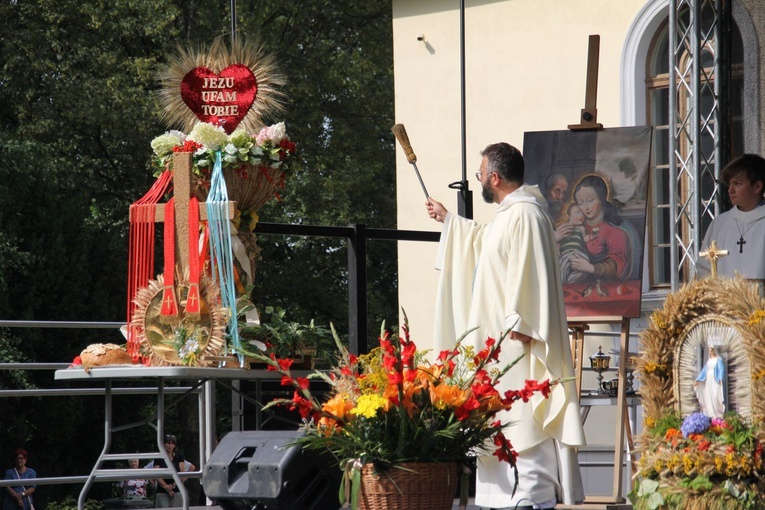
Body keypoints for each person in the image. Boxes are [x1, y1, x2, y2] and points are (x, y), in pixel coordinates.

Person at [427, 142, 585, 510]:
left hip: (516, 343)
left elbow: (531, 270)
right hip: (498, 347)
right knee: (500, 423)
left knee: (523, 422)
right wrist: (450, 221)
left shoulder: (526, 215)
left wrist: (521, 319)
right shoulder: (510, 214)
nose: (479, 178)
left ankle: (531, 498)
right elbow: (487, 246)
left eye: (481, 172)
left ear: (494, 177)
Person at [698, 154, 765, 279]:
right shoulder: (719, 224)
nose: (730, 190)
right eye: (730, 184)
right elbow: (704, 269)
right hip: (724, 298)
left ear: (757, 187)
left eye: (737, 184)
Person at [568, 174, 632, 282]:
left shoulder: (615, 233)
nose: (586, 207)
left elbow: (617, 266)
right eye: (581, 203)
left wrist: (591, 268)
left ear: (601, 199)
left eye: (590, 200)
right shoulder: (575, 229)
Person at [153, 435, 195, 508]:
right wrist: (166, 487)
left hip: (177, 490)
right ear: (164, 444)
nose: (170, 446)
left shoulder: (179, 457)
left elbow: (182, 474)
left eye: (172, 444)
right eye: (168, 443)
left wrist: (173, 485)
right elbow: (156, 474)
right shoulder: (158, 457)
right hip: (162, 490)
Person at [556, 203, 591, 283]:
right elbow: (557, 243)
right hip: (566, 254)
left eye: (583, 213)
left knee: (584, 268)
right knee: (563, 267)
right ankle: (562, 283)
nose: (581, 215)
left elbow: (585, 240)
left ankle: (571, 281)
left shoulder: (581, 229)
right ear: (569, 215)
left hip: (578, 253)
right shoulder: (563, 227)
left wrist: (592, 236)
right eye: (577, 212)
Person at [694, 344, 725, 419]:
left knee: (715, 396)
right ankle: (710, 414)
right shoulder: (709, 361)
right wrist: (698, 379)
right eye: (709, 350)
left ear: (714, 350)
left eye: (711, 350)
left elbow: (721, 369)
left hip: (715, 380)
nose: (710, 352)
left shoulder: (718, 360)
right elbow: (704, 371)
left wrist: (720, 378)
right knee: (708, 396)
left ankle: (717, 414)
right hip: (708, 379)